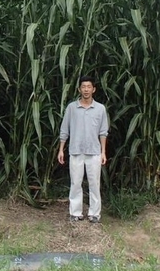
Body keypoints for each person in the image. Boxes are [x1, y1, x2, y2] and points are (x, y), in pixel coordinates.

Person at [57, 75, 109, 223]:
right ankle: (75, 212)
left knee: (94, 183)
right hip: (75, 151)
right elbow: (64, 129)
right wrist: (61, 149)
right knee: (75, 183)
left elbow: (103, 132)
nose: (86, 89)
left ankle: (94, 214)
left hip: (94, 152)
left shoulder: (100, 109)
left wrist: (103, 152)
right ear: (79, 89)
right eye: (83, 87)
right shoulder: (72, 108)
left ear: (94, 89)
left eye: (89, 87)